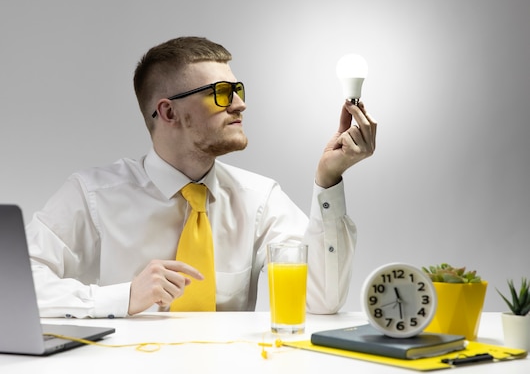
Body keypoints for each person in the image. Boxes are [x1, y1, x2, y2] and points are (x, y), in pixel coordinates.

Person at [26, 36, 377, 318]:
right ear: (168, 112)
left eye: (238, 91)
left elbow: (322, 299)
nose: (239, 105)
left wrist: (328, 179)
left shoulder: (259, 199)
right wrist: (124, 297)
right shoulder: (91, 195)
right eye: (221, 94)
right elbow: (16, 285)